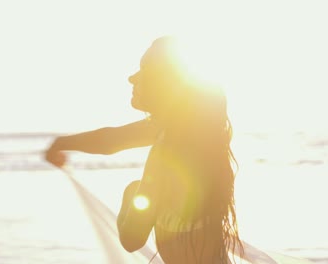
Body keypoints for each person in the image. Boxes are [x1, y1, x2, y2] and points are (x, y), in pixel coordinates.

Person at [44, 36, 244, 264]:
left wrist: (131, 193)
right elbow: (111, 139)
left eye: (143, 70)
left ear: (164, 85)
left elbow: (132, 239)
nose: (132, 79)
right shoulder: (184, 131)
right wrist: (63, 143)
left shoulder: (167, 153)